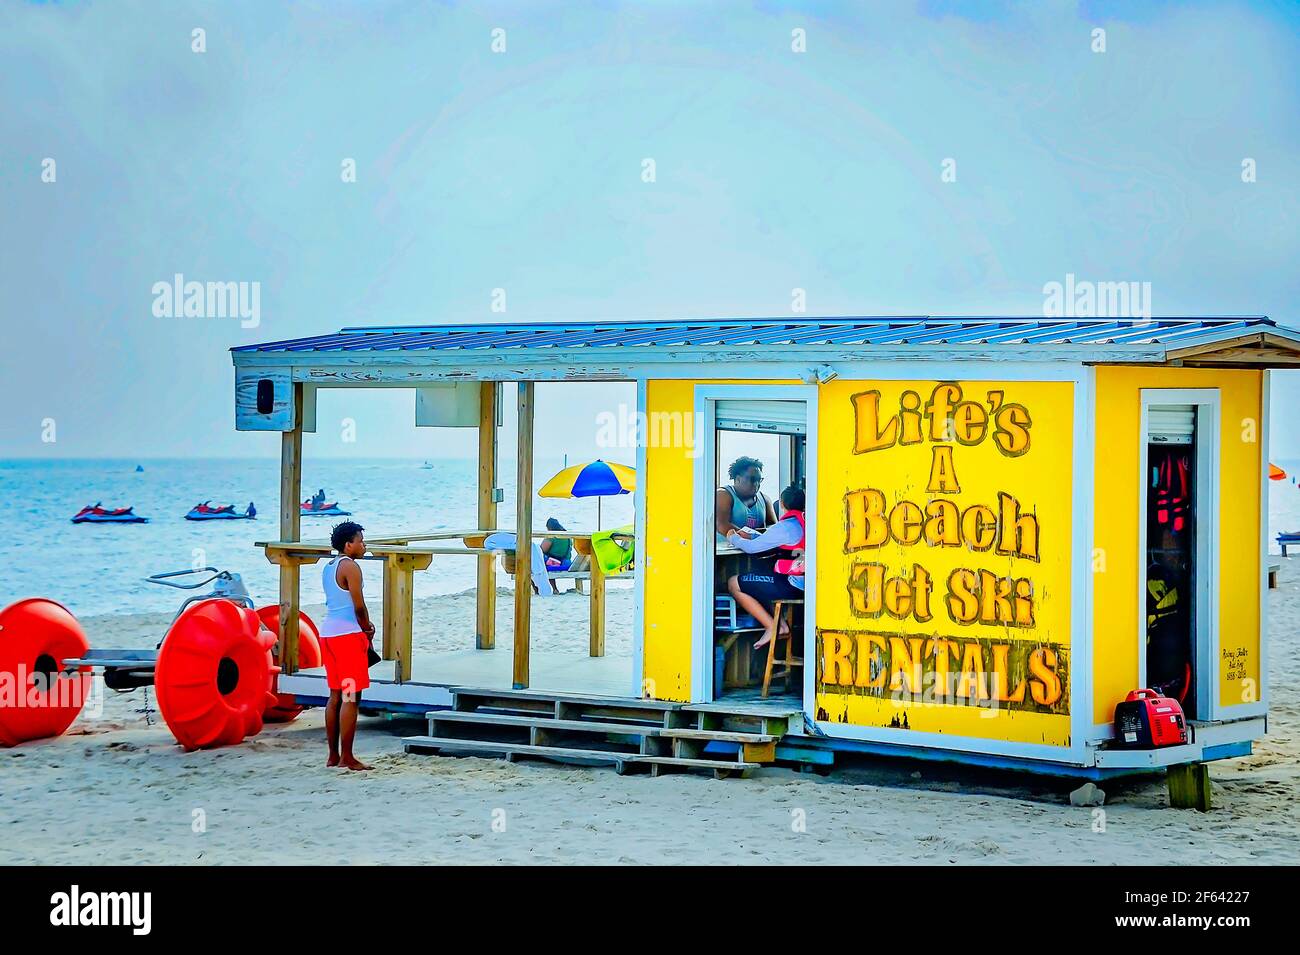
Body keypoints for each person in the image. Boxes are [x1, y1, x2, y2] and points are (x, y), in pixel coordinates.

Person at [320, 520, 375, 771]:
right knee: (351, 696)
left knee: (335, 696)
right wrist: (367, 628)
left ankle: (333, 755)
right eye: (360, 541)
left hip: (328, 634)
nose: (363, 545)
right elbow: (358, 605)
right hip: (348, 636)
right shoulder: (350, 567)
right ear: (348, 544)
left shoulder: (328, 567)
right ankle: (348, 756)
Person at [724, 485, 805, 649]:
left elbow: (752, 548)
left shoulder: (786, 526)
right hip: (806, 584)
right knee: (762, 580)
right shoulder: (805, 523)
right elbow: (776, 540)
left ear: (782, 504)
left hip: (792, 585)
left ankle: (772, 626)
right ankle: (780, 626)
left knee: (734, 583)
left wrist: (733, 537)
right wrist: (752, 535)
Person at [715, 456, 776, 542]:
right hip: (726, 553)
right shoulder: (722, 495)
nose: (756, 483)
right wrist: (754, 538)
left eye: (759, 480)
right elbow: (720, 524)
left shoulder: (765, 499)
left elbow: (773, 527)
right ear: (738, 479)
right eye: (752, 479)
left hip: (755, 552)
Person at [540, 517, 573, 595]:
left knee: (536, 560)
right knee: (550, 561)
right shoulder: (567, 535)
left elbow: (542, 550)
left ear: (549, 527)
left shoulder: (552, 535)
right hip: (566, 563)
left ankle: (539, 589)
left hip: (555, 563)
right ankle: (554, 589)